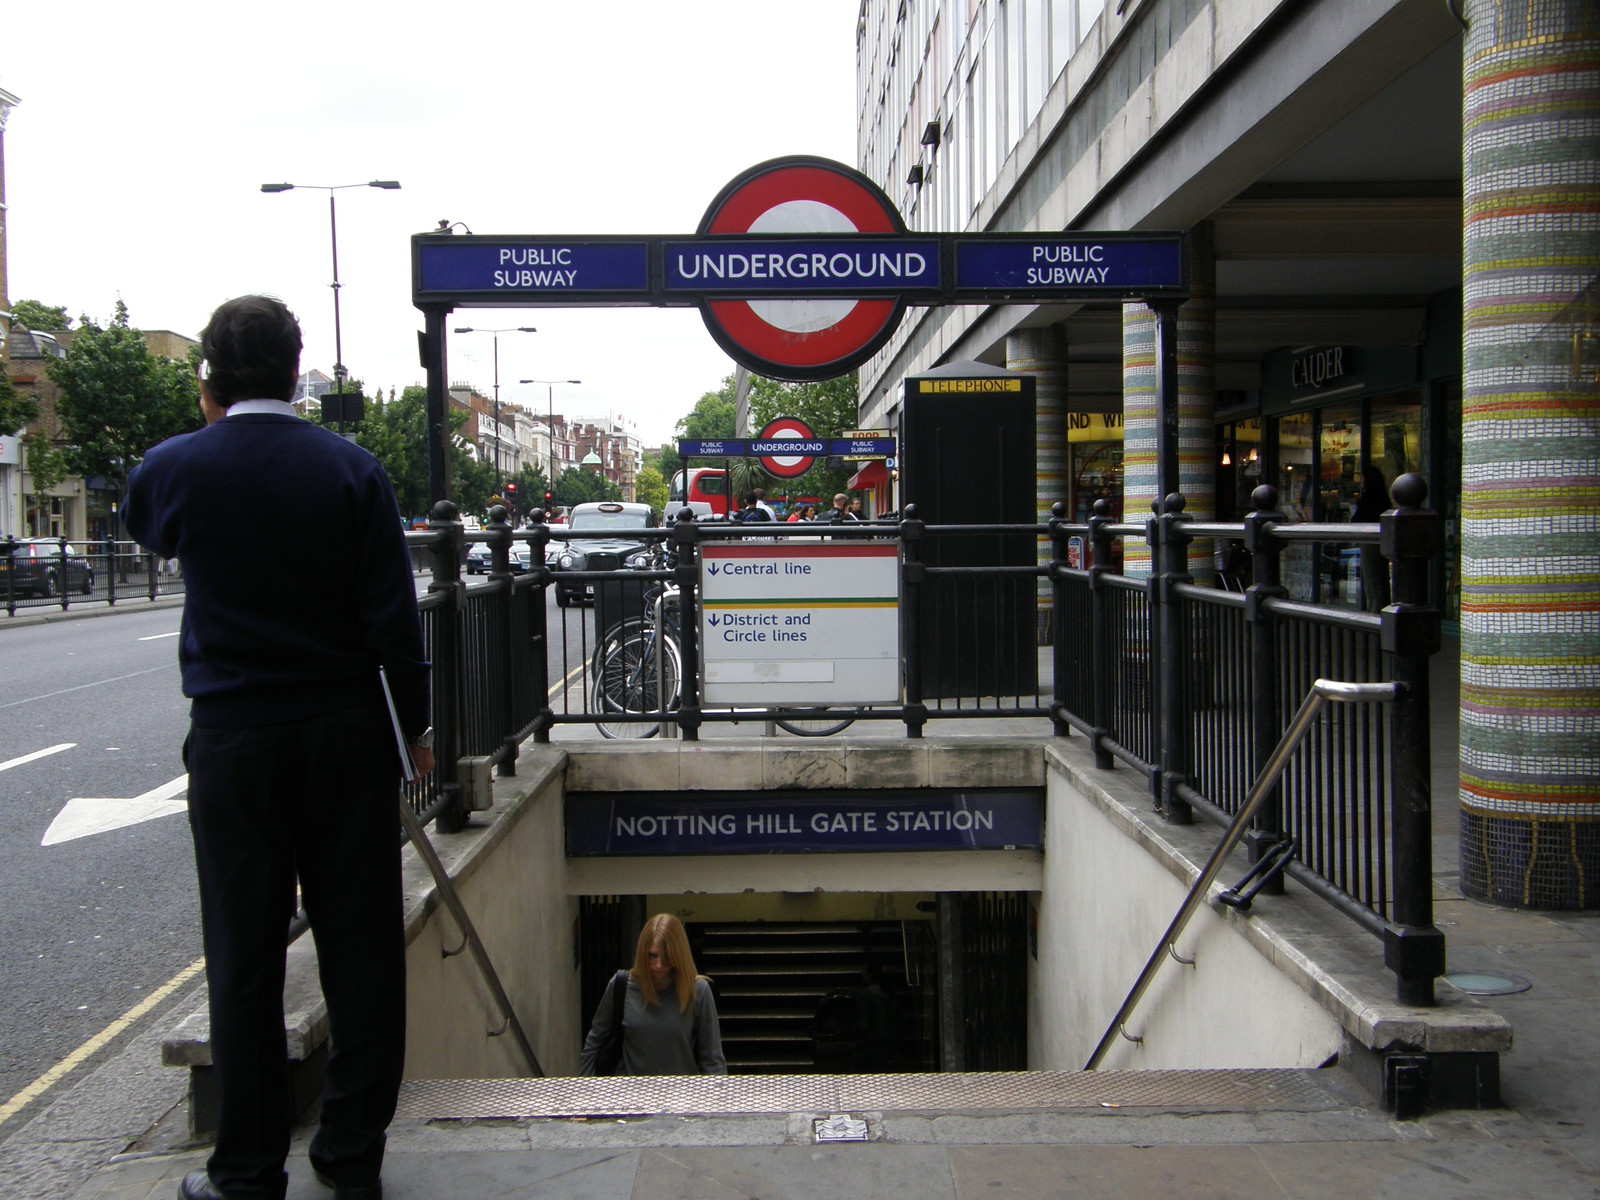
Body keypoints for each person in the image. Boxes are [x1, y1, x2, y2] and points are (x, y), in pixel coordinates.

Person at [124, 296, 432, 1200]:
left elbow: (153, 530)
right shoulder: (353, 471)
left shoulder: (173, 468)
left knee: (245, 954)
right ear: (297, 375)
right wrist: (411, 733)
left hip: (234, 741)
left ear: (208, 378)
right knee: (363, 954)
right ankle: (348, 1155)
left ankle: (247, 1168)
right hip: (344, 738)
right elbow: (394, 623)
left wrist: (208, 426)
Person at [579, 914, 727, 1076]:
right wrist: (585, 1089)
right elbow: (595, 1040)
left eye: (667, 957)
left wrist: (716, 1097)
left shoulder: (698, 991)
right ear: (643, 953)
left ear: (678, 955)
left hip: (680, 1095)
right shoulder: (621, 986)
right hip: (628, 1094)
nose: (658, 965)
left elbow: (713, 1059)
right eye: (652, 955)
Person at [1351, 463, 1391, 611]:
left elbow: (1357, 519)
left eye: (1362, 479)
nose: (1360, 482)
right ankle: (1383, 610)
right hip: (1382, 540)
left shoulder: (1369, 497)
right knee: (1381, 578)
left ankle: (1375, 613)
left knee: (1372, 580)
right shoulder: (1383, 496)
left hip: (1370, 541)